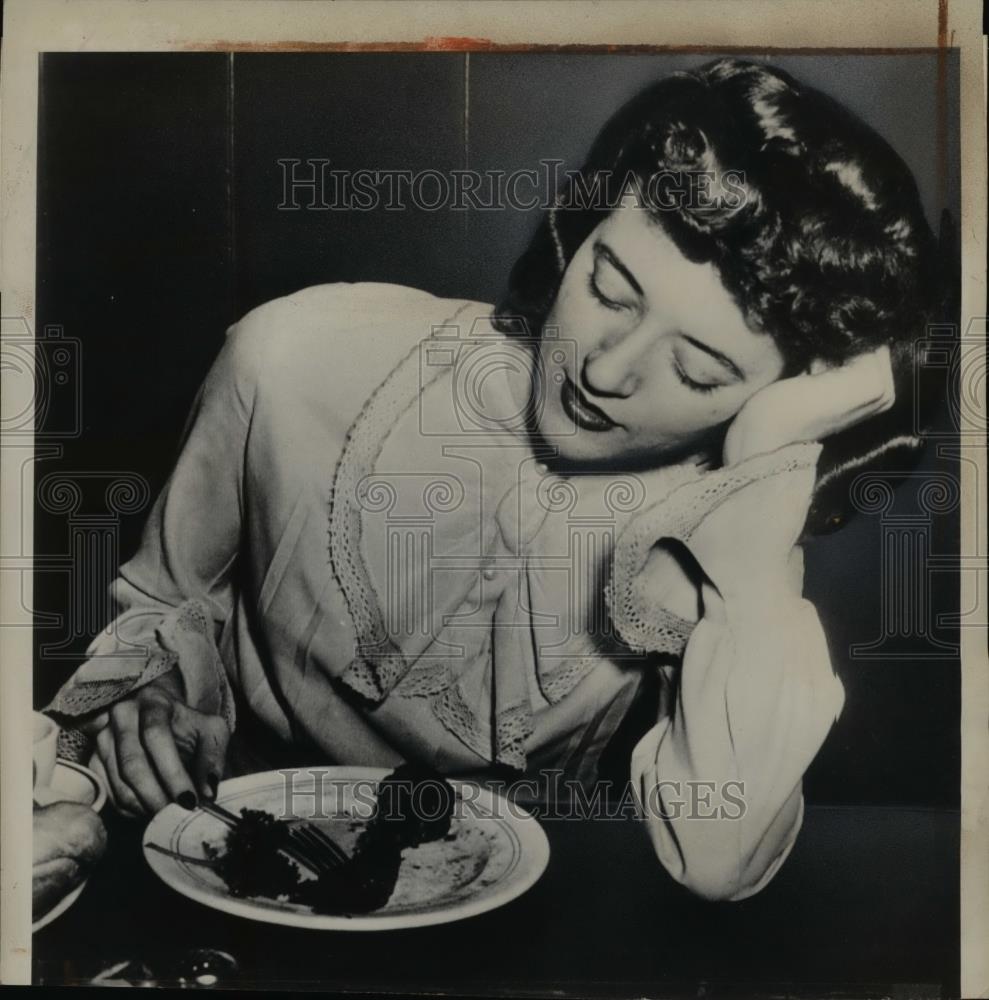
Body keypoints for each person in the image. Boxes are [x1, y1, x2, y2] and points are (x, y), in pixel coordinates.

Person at [45, 57, 947, 901]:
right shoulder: (289, 359)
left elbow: (716, 859)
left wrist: (768, 480)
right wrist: (154, 691)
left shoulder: (723, 519)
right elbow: (163, 602)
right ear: (580, 230)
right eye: (610, 286)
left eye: (702, 372)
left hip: (511, 911)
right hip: (230, 863)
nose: (606, 370)